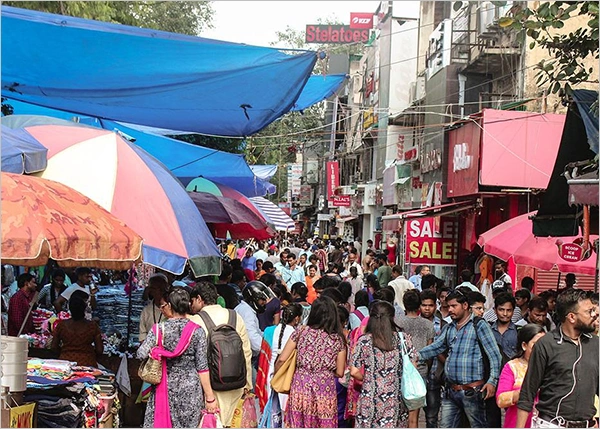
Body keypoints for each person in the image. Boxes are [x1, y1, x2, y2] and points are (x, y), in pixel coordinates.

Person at [418, 288, 502, 428]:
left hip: (472, 391)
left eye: (453, 306)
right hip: (451, 391)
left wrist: (492, 381)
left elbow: (494, 355)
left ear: (465, 306)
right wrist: (415, 357)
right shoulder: (450, 328)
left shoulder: (479, 325)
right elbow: (436, 347)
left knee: (478, 426)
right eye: (448, 306)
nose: (450, 309)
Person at [516, 288, 599, 428]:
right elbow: (527, 393)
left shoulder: (596, 344)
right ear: (571, 317)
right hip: (551, 424)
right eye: (588, 311)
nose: (594, 315)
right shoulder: (546, 344)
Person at [137, 287, 218, 428]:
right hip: (191, 390)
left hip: (164, 387)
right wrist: (210, 397)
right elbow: (202, 366)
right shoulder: (197, 331)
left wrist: (156, 351)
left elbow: (140, 354)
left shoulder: (158, 330)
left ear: (170, 306)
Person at [188, 281, 252, 427]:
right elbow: (246, 351)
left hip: (210, 387)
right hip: (237, 383)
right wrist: (247, 383)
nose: (191, 306)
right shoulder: (235, 316)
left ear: (199, 299)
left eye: (192, 301)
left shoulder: (195, 321)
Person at [276, 297, 347, 428]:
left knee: (299, 422)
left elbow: (282, 358)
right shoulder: (338, 339)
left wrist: (277, 376)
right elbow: (340, 371)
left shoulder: (301, 331)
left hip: (300, 385)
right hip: (324, 388)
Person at [349, 300, 414, 428]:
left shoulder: (364, 340)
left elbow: (354, 371)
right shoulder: (403, 339)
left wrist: (369, 378)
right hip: (395, 399)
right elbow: (413, 366)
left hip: (369, 398)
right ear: (392, 318)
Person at [396, 289, 435, 427]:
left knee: (399, 413)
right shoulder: (428, 325)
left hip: (400, 372)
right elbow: (430, 351)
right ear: (419, 305)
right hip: (420, 372)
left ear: (404, 305)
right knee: (414, 417)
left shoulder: (396, 322)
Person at [496, 323, 546, 428]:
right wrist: (525, 393)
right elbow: (500, 400)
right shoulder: (512, 367)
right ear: (524, 345)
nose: (541, 350)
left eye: (544, 345)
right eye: (536, 345)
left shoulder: (550, 367)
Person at [265, 303, 303, 412]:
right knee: (283, 409)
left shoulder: (273, 330)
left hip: (271, 370)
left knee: (273, 409)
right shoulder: (294, 333)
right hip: (284, 373)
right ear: (296, 318)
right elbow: (282, 359)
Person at [51, 291, 103, 367]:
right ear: (84, 309)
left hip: (66, 362)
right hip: (87, 363)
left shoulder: (62, 325)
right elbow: (99, 350)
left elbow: (54, 347)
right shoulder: (92, 326)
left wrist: (64, 351)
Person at [420, 289, 447, 428]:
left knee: (432, 416)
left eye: (430, 305)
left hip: (434, 376)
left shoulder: (443, 325)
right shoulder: (416, 324)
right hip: (417, 375)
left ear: (435, 306)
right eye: (424, 305)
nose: (427, 308)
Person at [139, 274, 169, 342]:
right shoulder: (146, 311)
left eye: (161, 289)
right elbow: (142, 335)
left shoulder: (172, 310)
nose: (160, 291)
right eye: (156, 288)